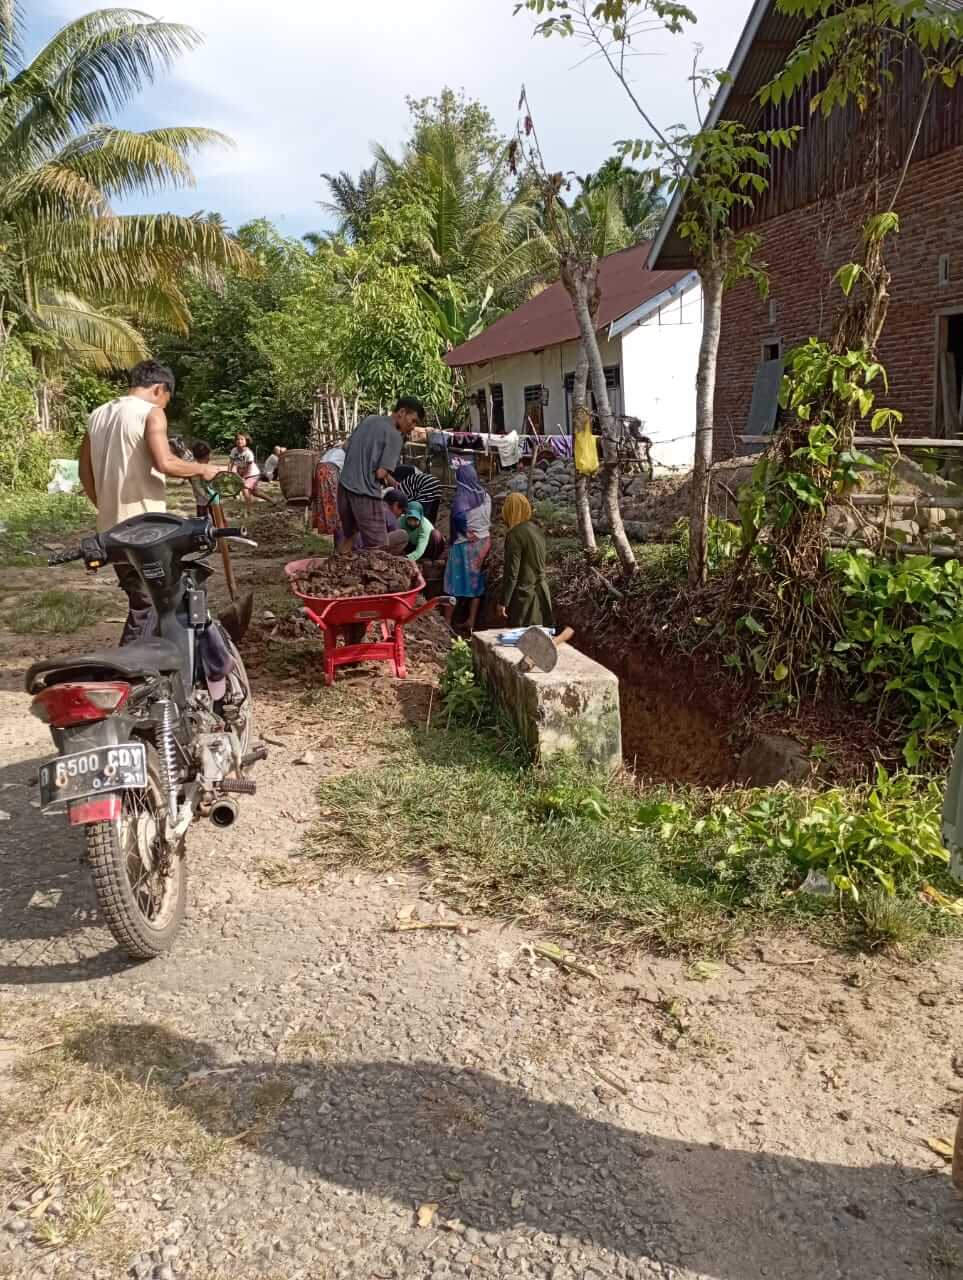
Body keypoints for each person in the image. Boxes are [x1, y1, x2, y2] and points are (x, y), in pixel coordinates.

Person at [78, 360, 222, 645]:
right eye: (167, 399)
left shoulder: (97, 415)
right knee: (150, 606)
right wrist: (204, 469)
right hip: (146, 532)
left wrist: (107, 506)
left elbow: (84, 472)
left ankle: (155, 669)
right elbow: (165, 461)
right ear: (160, 389)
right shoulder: (152, 413)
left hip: (110, 530)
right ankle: (129, 672)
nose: (165, 406)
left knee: (143, 599)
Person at [337, 398, 425, 553]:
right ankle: (366, 574)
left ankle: (339, 570)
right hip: (365, 494)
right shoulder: (395, 436)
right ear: (401, 413)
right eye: (413, 421)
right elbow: (380, 473)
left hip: (344, 486)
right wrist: (385, 477)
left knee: (349, 537)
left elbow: (346, 446)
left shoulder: (370, 419)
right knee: (378, 548)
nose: (413, 427)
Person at [443, 463, 492, 633]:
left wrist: (464, 530)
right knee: (475, 583)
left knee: (452, 584)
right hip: (482, 543)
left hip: (464, 546)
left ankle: (448, 621)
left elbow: (458, 515)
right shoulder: (485, 496)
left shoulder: (462, 497)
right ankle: (471, 621)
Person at [497, 493, 553, 627]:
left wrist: (503, 602)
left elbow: (512, 573)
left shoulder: (514, 535)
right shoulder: (536, 530)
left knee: (521, 642)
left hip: (524, 600)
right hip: (542, 596)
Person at [229, 433, 260, 509]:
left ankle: (249, 510)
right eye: (237, 439)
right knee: (255, 492)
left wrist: (243, 477)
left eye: (242, 439)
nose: (239, 441)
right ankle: (272, 501)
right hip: (244, 472)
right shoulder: (234, 450)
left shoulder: (248, 453)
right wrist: (229, 472)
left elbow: (249, 468)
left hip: (253, 474)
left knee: (245, 489)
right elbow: (231, 463)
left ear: (247, 441)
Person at [190, 441, 214, 518]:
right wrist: (208, 497)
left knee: (215, 517)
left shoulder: (208, 466)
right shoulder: (195, 470)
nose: (209, 458)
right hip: (202, 501)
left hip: (212, 499)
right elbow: (197, 487)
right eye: (207, 456)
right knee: (201, 520)